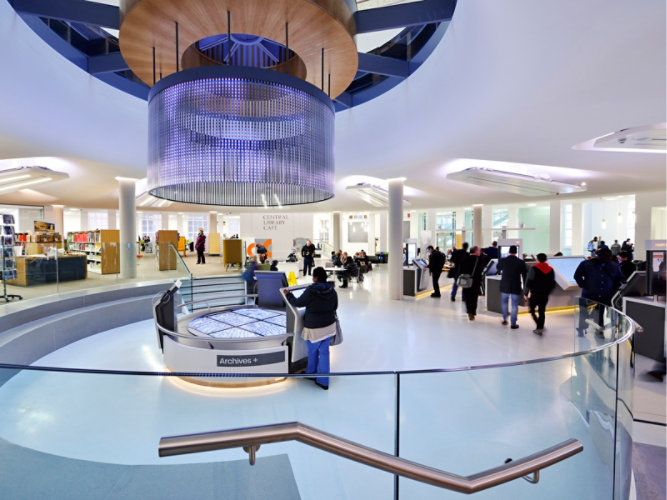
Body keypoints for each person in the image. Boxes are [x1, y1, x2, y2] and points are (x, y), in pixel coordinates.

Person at [283, 267, 338, 390]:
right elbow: (335, 306)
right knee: (324, 353)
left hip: (314, 329)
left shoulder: (311, 291)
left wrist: (289, 295)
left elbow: (298, 303)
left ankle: (311, 373)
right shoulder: (332, 290)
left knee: (312, 352)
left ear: (315, 278)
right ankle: (324, 381)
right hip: (329, 327)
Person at [574, 247, 626, 336]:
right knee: (584, 311)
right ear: (599, 255)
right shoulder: (586, 264)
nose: (607, 258)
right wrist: (584, 285)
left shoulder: (614, 265)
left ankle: (599, 329)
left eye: (608, 256)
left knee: (600, 312)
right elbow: (577, 275)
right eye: (604, 256)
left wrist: (615, 288)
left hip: (606, 294)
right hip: (589, 294)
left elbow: (620, 278)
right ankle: (581, 329)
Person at [523, 253, 556, 335]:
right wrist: (548, 292)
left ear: (537, 259)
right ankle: (540, 327)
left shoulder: (533, 268)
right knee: (541, 312)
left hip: (535, 294)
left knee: (531, 310)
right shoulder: (551, 269)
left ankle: (539, 325)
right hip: (545, 295)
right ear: (546, 259)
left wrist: (526, 293)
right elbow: (552, 283)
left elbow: (528, 282)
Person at [496, 245, 527, 329]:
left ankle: (505, 319)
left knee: (504, 303)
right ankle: (513, 324)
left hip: (505, 285)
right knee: (514, 305)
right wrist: (525, 288)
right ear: (516, 252)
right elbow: (524, 274)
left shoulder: (503, 260)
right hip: (515, 286)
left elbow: (498, 268)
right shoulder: (520, 262)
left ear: (509, 251)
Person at [459, 246, 486, 320]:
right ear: (476, 251)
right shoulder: (479, 259)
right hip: (476, 281)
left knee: (467, 296)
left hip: (466, 280)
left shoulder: (465, 259)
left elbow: (461, 269)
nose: (480, 252)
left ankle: (469, 310)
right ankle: (473, 311)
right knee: (474, 296)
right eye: (479, 250)